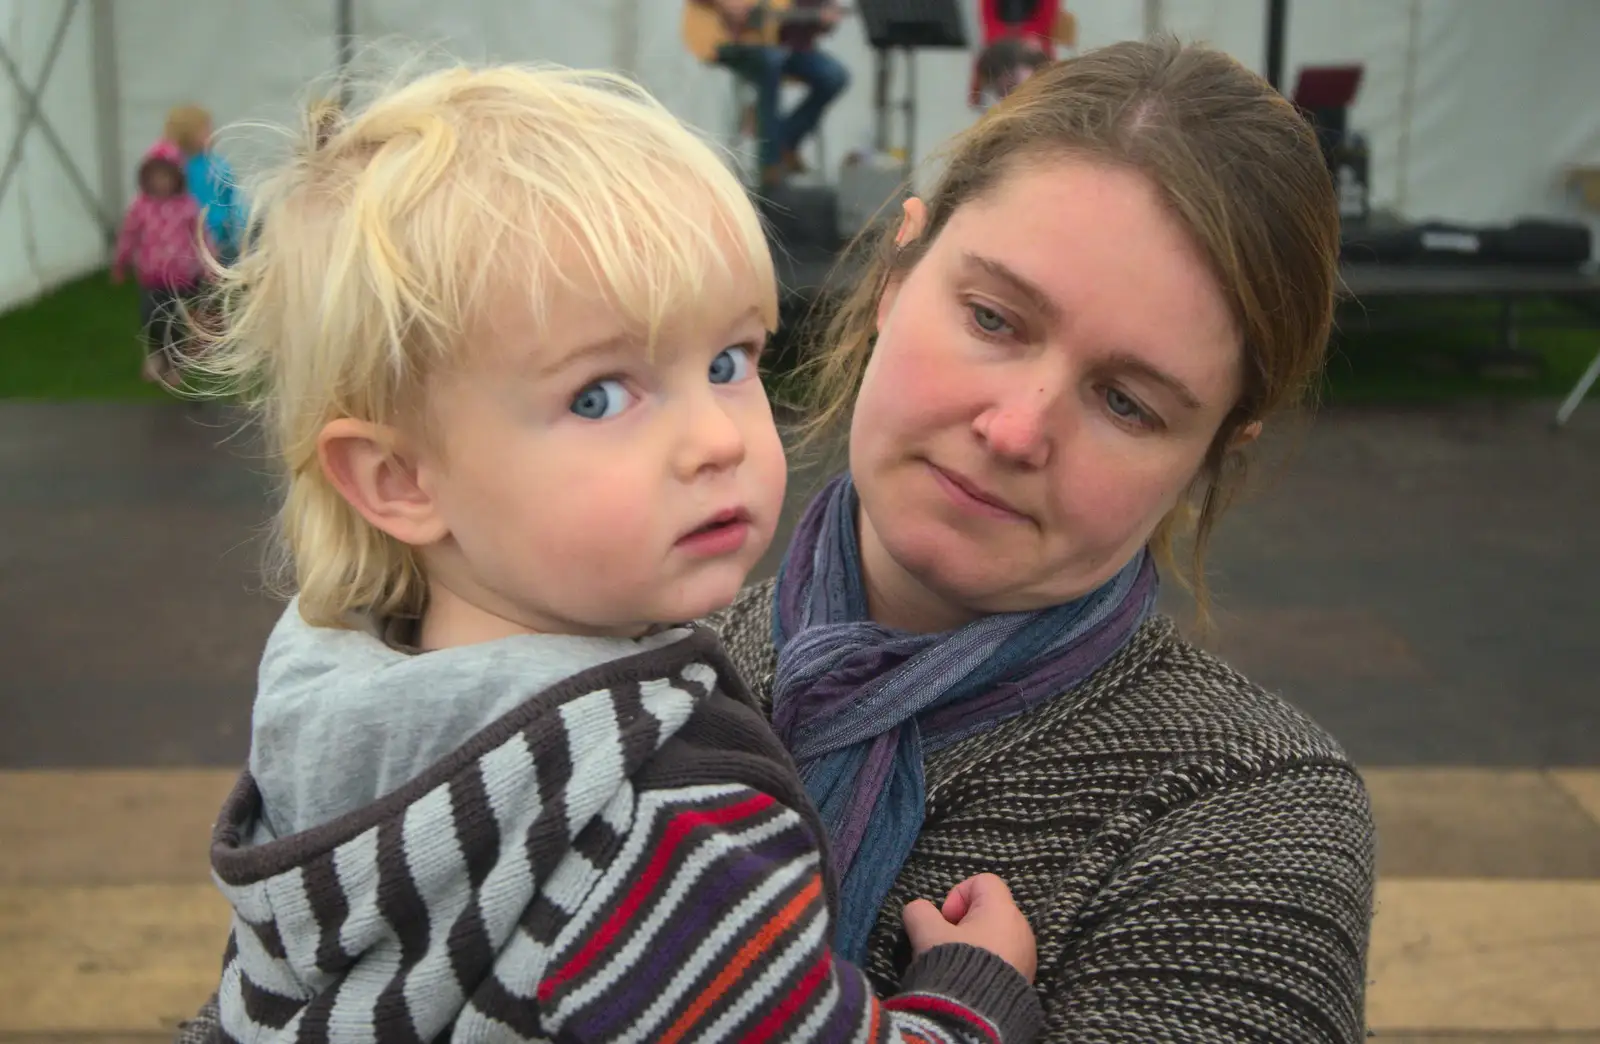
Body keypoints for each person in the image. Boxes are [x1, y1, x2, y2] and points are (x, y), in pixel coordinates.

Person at [175, 63, 1045, 1043]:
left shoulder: (324, 704)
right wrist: (973, 999)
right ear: (398, 480)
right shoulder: (655, 818)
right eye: (599, 395)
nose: (716, 439)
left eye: (729, 362)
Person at [706, 37, 1373, 1040]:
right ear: (898, 273)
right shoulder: (642, 670)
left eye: (1124, 402)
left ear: (1208, 453)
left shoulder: (1247, 817)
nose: (1015, 431)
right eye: (992, 318)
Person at [696, 0, 850, 186]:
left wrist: (824, 20)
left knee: (834, 75)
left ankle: (784, 141)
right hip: (735, 42)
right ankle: (769, 162)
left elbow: (808, 20)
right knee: (771, 62)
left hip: (789, 48)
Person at [111, 139, 209, 388]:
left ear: (177, 178)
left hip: (182, 276)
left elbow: (201, 236)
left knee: (174, 320)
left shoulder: (188, 207)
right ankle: (156, 354)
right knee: (151, 317)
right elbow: (128, 235)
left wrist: (210, 265)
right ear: (146, 178)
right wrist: (121, 263)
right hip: (151, 275)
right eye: (155, 177)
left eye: (166, 177)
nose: (161, 182)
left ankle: (176, 361)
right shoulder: (140, 207)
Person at [164, 104, 244, 265]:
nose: (212, 133)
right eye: (205, 129)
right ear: (188, 132)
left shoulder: (217, 165)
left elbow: (231, 198)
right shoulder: (175, 166)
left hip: (220, 237)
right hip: (187, 239)